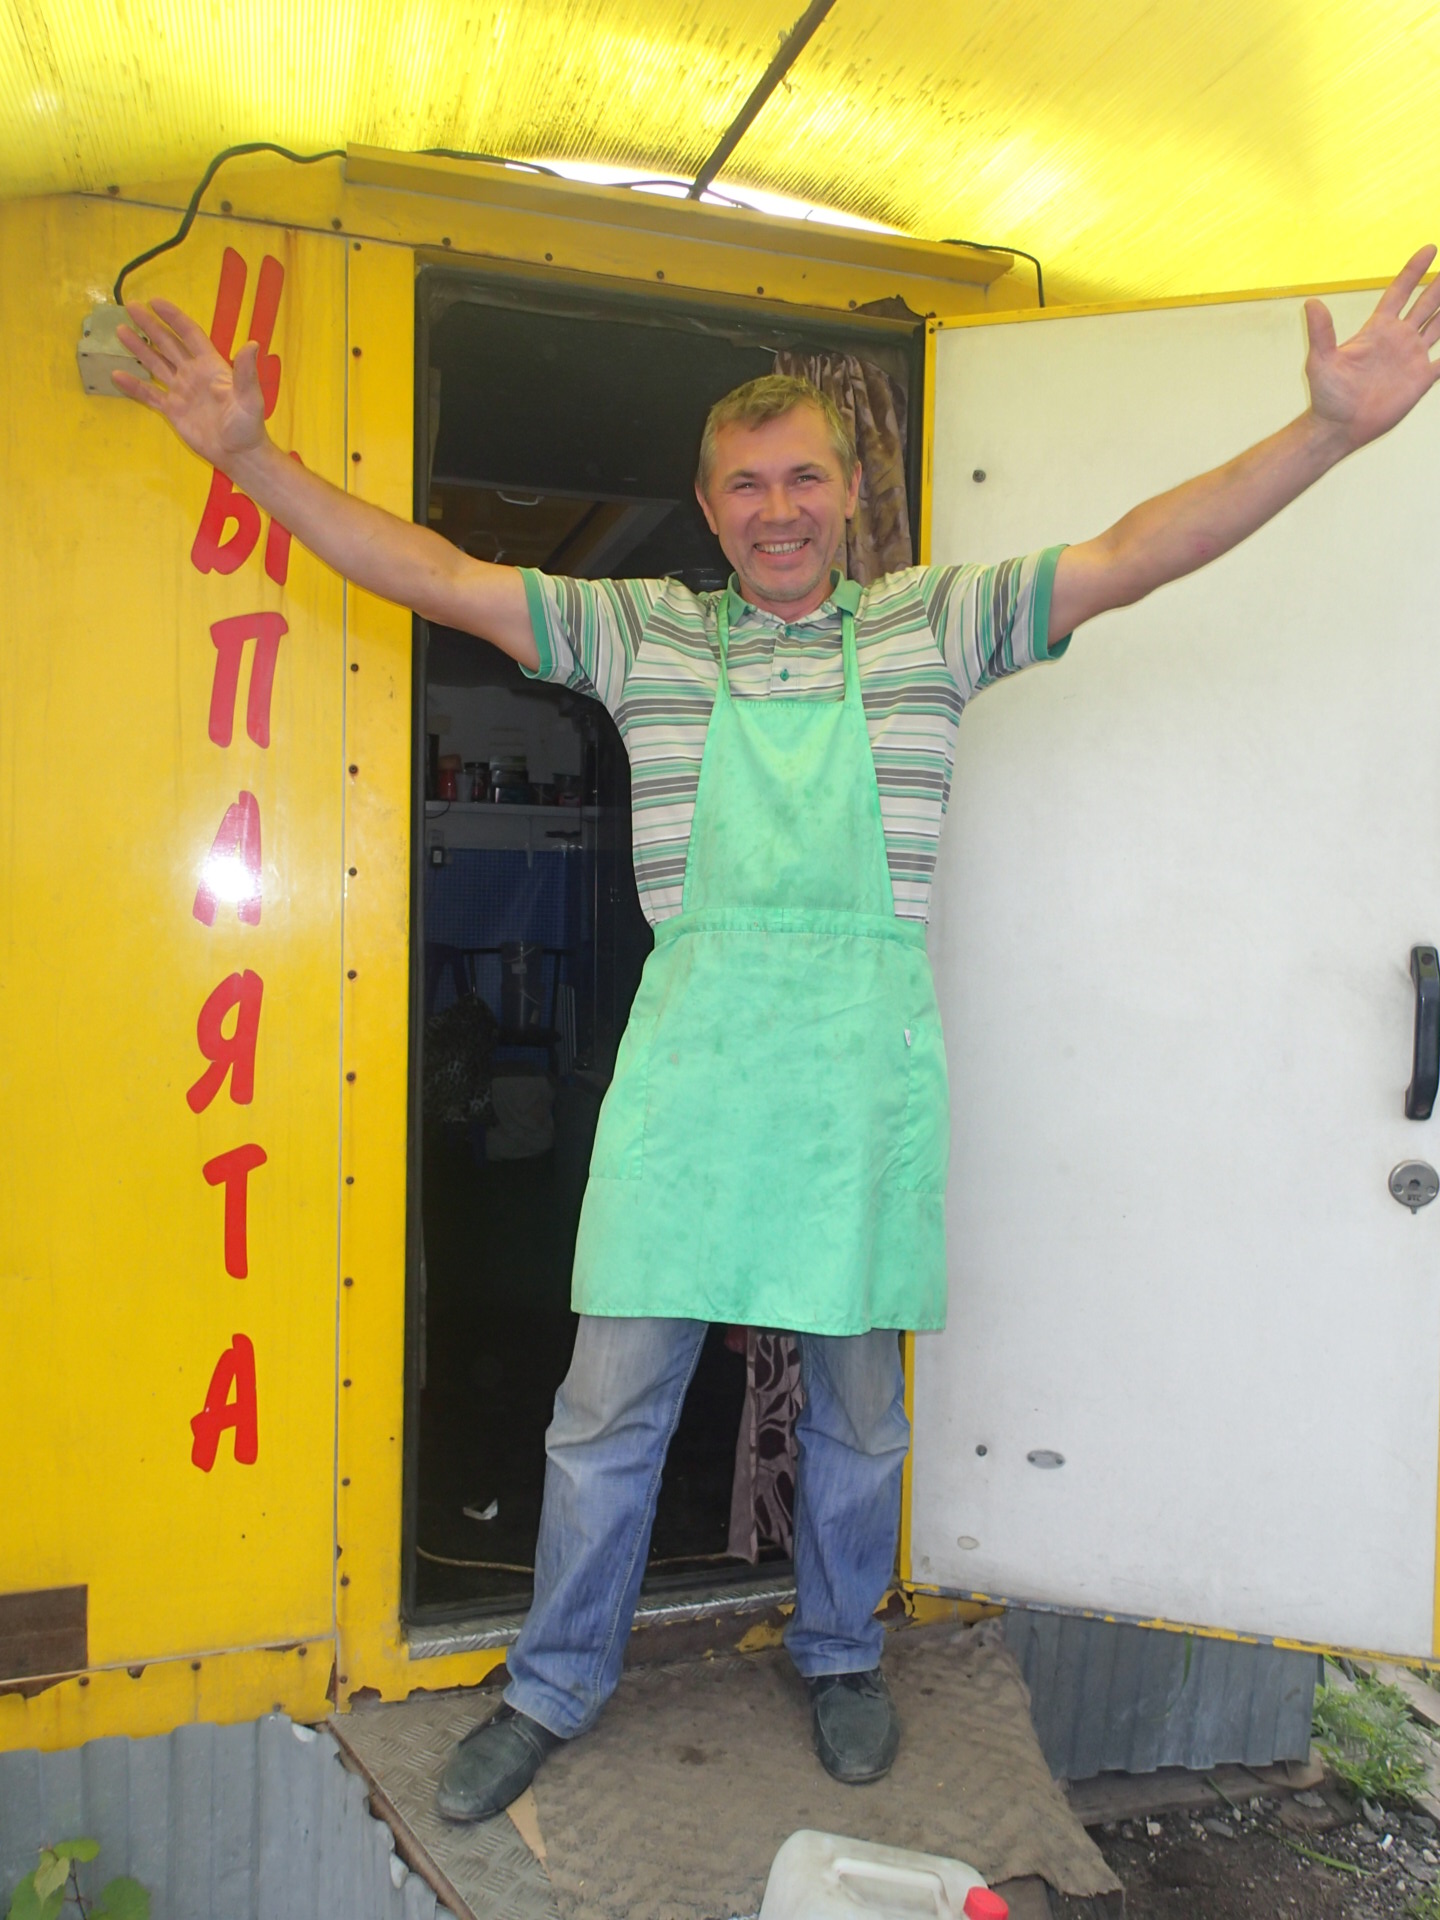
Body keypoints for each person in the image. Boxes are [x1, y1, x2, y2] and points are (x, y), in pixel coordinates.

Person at [116, 246, 1440, 1820]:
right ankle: (552, 1682)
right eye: (746, 485)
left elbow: (1137, 551)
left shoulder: (940, 626)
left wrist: (1327, 432)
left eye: (805, 476)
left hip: (853, 1087)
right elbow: (434, 572)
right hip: (692, 1088)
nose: (779, 508)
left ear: (848, 493)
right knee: (604, 1411)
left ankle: (840, 1651)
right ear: (709, 504)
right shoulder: (640, 637)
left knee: (862, 1417)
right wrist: (252, 458)